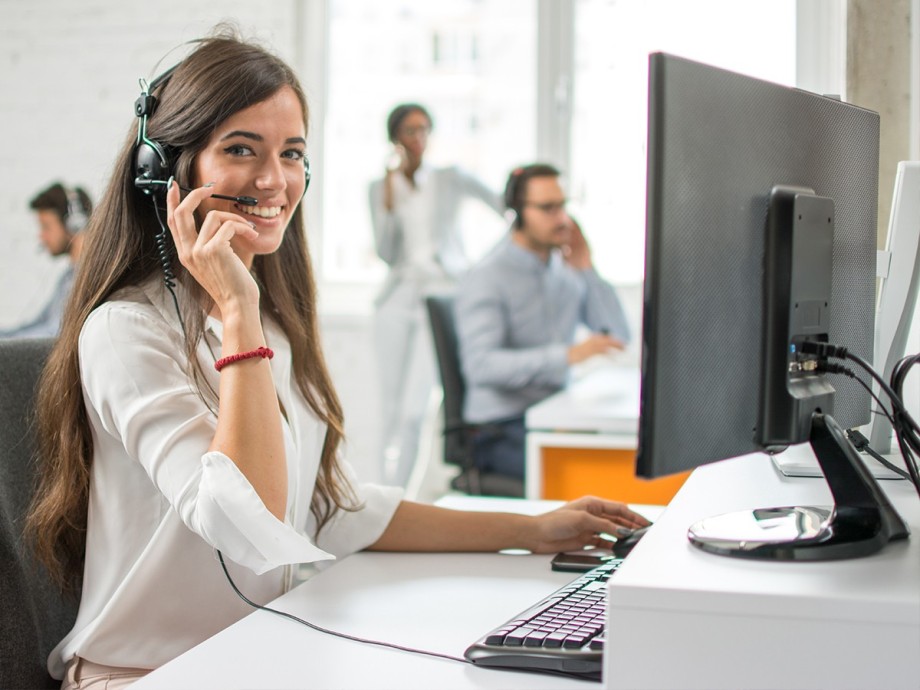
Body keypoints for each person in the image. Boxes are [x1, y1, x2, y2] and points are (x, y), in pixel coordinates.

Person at [24, 30, 649, 689]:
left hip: (254, 656)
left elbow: (328, 508)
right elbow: (250, 524)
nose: (274, 180)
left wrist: (533, 527)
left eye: (291, 153)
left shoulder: (269, 322)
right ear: (165, 173)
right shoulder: (126, 332)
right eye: (241, 149)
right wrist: (236, 305)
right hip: (145, 674)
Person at [455, 163, 632, 481]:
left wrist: (587, 269)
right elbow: (480, 366)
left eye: (563, 206)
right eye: (548, 208)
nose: (562, 219)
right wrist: (566, 355)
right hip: (500, 428)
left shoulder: (565, 271)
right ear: (517, 212)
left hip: (554, 415)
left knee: (625, 459)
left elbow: (617, 336)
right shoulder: (487, 276)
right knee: (595, 477)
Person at [368, 103, 505, 487]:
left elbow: (505, 208)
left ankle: (404, 499)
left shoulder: (450, 178)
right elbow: (386, 252)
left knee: (416, 410)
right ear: (395, 138)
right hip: (398, 297)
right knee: (390, 409)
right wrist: (390, 203)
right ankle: (381, 495)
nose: (419, 139)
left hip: (442, 294)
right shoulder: (380, 188)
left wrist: (476, 269)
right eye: (411, 131)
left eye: (425, 129)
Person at [0, 183, 92, 338]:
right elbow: (38, 325)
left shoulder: (86, 279)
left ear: (75, 224)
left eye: (46, 227)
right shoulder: (67, 278)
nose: (41, 237)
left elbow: (52, 334)